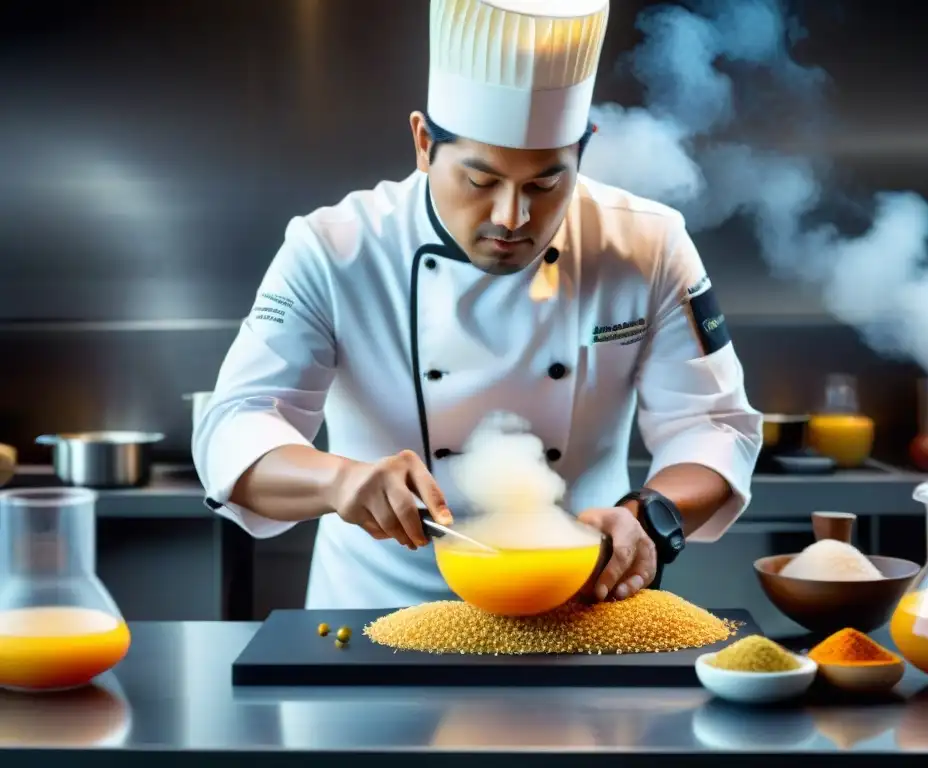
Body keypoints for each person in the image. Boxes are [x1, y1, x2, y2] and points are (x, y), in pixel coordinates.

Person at [193, 0, 763, 610]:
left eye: (545, 184)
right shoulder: (334, 248)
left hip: (580, 611)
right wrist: (340, 481)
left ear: (583, 150)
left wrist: (650, 514)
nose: (511, 218)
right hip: (372, 615)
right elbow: (236, 425)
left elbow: (714, 426)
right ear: (422, 142)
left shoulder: (648, 245)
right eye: (480, 180)